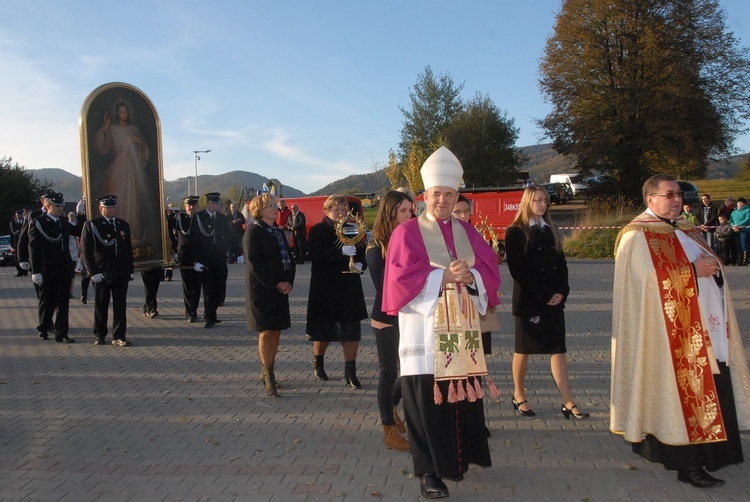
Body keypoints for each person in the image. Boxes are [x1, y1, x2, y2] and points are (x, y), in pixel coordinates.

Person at [611, 174, 750, 489]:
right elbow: (645, 283)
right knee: (682, 397)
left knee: (714, 387)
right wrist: (691, 271)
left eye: (679, 194)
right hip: (669, 339)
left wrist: (711, 268)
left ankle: (715, 453)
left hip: (707, 329)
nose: (677, 200)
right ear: (650, 199)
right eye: (669, 194)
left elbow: (709, 264)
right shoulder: (636, 236)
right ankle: (687, 464)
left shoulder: (686, 228)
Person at [382, 146, 501, 499]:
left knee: (457, 403)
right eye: (437, 194)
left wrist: (472, 276)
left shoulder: (468, 232)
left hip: (461, 336)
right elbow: (399, 281)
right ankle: (428, 471)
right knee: (423, 407)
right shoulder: (406, 233)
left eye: (450, 194)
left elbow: (491, 269)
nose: (443, 200)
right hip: (424, 335)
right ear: (425, 196)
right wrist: (443, 279)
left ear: (456, 196)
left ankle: (455, 463)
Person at [504, 185, 589, 421]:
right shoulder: (515, 232)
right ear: (526, 202)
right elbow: (518, 270)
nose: (542, 204)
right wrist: (544, 294)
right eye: (537, 200)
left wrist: (562, 292)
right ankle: (519, 395)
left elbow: (561, 265)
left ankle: (568, 400)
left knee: (558, 349)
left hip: (554, 301)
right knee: (523, 350)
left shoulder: (551, 229)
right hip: (530, 301)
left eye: (545, 200)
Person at [366, 190, 412, 452]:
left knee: (409, 371)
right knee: (389, 373)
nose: (410, 214)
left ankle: (392, 406)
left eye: (410, 210)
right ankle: (388, 428)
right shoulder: (376, 246)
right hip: (387, 318)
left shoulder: (409, 238)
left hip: (410, 316)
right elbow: (385, 289)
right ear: (391, 211)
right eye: (404, 210)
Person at [306, 194, 368, 388]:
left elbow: (363, 251)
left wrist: (360, 264)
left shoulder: (352, 228)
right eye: (337, 210)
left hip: (349, 287)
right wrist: (337, 253)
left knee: (351, 330)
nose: (341, 213)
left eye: (343, 209)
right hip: (326, 287)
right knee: (324, 330)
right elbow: (314, 254)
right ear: (327, 211)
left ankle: (350, 370)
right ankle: (318, 360)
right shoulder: (319, 230)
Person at [243, 193, 296, 397]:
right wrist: (276, 283)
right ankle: (269, 376)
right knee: (265, 331)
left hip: (280, 290)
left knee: (276, 331)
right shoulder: (253, 233)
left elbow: (289, 260)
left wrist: (288, 282)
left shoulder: (279, 233)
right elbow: (254, 264)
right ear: (259, 210)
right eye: (270, 206)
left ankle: (267, 369)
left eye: (276, 205)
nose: (276, 208)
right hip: (262, 290)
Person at [92, 101, 159, 249]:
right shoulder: (113, 128)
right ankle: (119, 231)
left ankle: (133, 232)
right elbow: (104, 146)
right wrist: (106, 126)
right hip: (120, 167)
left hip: (134, 169)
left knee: (133, 200)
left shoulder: (134, 128)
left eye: (125, 112)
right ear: (117, 113)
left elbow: (144, 149)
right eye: (121, 112)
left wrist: (139, 141)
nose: (123, 114)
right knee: (121, 197)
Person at [81, 195, 135, 347]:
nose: (112, 210)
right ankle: (99, 334)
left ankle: (119, 335)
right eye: (109, 207)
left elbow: (127, 249)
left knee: (120, 305)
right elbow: (86, 250)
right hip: (102, 271)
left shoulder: (122, 224)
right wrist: (93, 271)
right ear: (101, 208)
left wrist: (130, 269)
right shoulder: (93, 225)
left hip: (120, 272)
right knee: (101, 304)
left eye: (114, 207)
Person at [451, 194, 500, 356]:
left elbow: (490, 265)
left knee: (476, 360)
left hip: (476, 306)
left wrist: (474, 276)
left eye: (466, 211)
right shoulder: (437, 238)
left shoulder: (474, 235)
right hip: (451, 309)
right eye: (457, 212)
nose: (463, 216)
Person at [28, 192, 76, 343]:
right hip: (47, 269)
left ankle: (62, 333)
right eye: (57, 206)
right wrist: (36, 271)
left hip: (64, 268)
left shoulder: (63, 222)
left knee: (63, 302)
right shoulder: (38, 223)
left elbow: (77, 230)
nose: (61, 209)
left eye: (62, 206)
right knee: (47, 300)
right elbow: (34, 249)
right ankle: (43, 327)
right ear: (48, 206)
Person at [189, 192, 230, 328]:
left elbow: (230, 235)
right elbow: (193, 240)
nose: (215, 206)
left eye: (217, 204)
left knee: (219, 288)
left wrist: (238, 252)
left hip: (220, 258)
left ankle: (213, 312)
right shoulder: (199, 217)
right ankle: (209, 317)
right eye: (213, 203)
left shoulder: (222, 218)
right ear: (207, 203)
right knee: (208, 289)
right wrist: (195, 260)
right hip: (205, 259)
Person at [177, 196, 201, 322]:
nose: (191, 208)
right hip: (185, 257)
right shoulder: (180, 218)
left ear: (197, 206)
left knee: (197, 285)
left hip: (199, 257)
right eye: (188, 205)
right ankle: (190, 312)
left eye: (193, 205)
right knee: (187, 286)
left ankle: (194, 309)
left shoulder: (200, 219)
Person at [729, 197, 750, 266]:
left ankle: (745, 260)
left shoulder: (747, 210)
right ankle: (739, 260)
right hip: (736, 230)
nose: (740, 204)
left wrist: (738, 225)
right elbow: (731, 220)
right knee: (738, 245)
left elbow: (747, 219)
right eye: (738, 203)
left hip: (744, 230)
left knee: (744, 245)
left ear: (744, 204)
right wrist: (734, 226)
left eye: (741, 203)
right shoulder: (734, 211)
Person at [10, 209, 26, 277]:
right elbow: (12, 233)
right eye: (17, 215)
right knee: (17, 258)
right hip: (16, 242)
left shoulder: (25, 222)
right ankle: (19, 272)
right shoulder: (12, 223)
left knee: (24, 256)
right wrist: (12, 245)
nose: (19, 216)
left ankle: (25, 271)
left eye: (20, 215)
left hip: (24, 242)